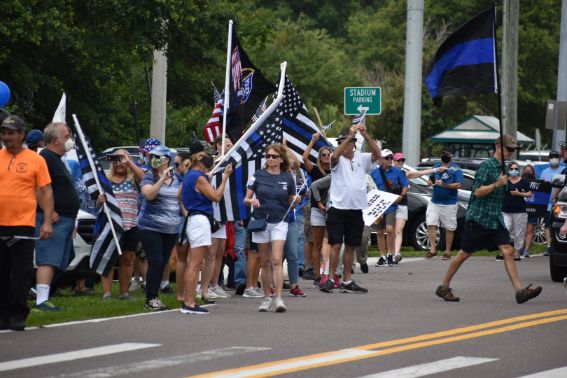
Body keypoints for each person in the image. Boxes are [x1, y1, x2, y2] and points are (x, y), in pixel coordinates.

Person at [435, 135, 542, 304]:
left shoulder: (503, 167)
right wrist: (496, 185)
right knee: (464, 254)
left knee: (508, 250)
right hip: (479, 218)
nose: (511, 152)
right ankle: (444, 286)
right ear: (498, 146)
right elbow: (477, 192)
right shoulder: (486, 166)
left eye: (513, 150)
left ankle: (519, 291)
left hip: (495, 218)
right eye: (509, 149)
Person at [0, 116, 53, 331]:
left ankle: (18, 314)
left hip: (23, 224)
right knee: (1, 272)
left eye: (11, 133)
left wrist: (47, 221)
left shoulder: (36, 160)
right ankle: (2, 315)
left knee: (21, 272)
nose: (6, 137)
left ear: (22, 135)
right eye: (4, 133)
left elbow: (45, 191)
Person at [320, 123, 380, 294]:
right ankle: (331, 278)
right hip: (338, 209)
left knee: (351, 246)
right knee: (336, 244)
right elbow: (334, 156)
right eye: (340, 142)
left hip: (355, 209)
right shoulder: (336, 158)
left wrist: (365, 135)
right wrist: (347, 138)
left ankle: (347, 280)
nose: (343, 145)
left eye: (346, 142)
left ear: (354, 144)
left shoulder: (361, 158)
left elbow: (377, 154)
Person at [244, 144, 297, 312]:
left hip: (280, 221)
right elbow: (246, 198)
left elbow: (291, 200)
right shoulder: (257, 176)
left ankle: (279, 298)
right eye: (268, 156)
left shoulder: (288, 177)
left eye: (274, 156)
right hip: (261, 221)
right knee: (264, 261)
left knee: (276, 259)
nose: (270, 159)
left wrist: (295, 201)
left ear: (281, 159)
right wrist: (252, 201)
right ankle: (267, 297)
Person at [34, 122, 81, 311]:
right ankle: (41, 300)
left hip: (66, 218)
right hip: (54, 218)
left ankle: (41, 292)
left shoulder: (57, 159)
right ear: (55, 140)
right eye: (67, 136)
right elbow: (38, 188)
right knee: (49, 257)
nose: (69, 139)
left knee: (65, 257)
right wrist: (49, 212)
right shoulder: (45, 157)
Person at [181, 151, 233, 314]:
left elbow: (179, 195)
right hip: (200, 219)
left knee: (194, 263)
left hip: (194, 218)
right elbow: (216, 197)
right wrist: (225, 178)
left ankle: (188, 301)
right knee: (195, 264)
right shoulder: (198, 177)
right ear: (200, 161)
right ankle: (189, 302)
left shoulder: (189, 175)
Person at [137, 145, 181, 311]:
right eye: (152, 156)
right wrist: (162, 179)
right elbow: (149, 194)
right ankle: (151, 298)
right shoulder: (149, 176)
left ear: (167, 159)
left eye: (158, 156)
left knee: (162, 262)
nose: (154, 159)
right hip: (150, 227)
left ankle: (155, 295)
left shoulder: (177, 178)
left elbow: (181, 198)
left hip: (170, 229)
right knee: (155, 261)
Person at [97, 150, 144, 299]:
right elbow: (96, 203)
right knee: (108, 259)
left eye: (121, 160)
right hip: (110, 225)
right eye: (115, 160)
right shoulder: (106, 181)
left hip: (130, 225)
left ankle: (124, 293)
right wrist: (99, 201)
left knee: (127, 259)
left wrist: (128, 161)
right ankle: (107, 293)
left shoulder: (133, 179)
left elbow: (144, 179)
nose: (118, 163)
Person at [370, 149, 409, 266]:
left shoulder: (397, 172)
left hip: (391, 205)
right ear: (381, 159)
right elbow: (371, 189)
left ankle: (391, 255)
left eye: (391, 158)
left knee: (390, 230)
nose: (390, 160)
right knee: (379, 232)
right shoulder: (374, 173)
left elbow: (405, 186)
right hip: (378, 205)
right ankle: (382, 256)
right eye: (387, 158)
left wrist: (401, 196)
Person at [302, 133, 332, 285]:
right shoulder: (315, 170)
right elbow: (304, 158)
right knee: (317, 242)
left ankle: (329, 272)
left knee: (331, 242)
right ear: (320, 157)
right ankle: (317, 275)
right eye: (324, 155)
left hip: (333, 210)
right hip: (316, 209)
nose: (326, 157)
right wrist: (313, 140)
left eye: (329, 154)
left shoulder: (337, 170)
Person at [425, 151, 463, 260]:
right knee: (430, 222)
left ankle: (447, 251)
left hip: (450, 203)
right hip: (435, 201)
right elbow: (431, 178)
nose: (444, 158)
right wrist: (430, 182)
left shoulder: (456, 168)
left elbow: (459, 184)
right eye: (443, 157)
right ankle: (433, 249)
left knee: (449, 227)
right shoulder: (436, 166)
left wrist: (445, 185)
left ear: (450, 158)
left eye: (447, 157)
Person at [499, 161, 532, 261]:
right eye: (512, 169)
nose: (514, 171)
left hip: (520, 211)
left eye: (516, 169)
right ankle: (503, 251)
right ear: (508, 170)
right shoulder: (505, 181)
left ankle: (517, 252)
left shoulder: (523, 181)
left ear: (519, 170)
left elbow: (530, 194)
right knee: (505, 229)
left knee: (519, 233)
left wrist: (519, 194)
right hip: (505, 210)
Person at [174, 151, 191, 302]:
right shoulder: (176, 178)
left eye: (177, 164)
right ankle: (180, 294)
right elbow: (178, 198)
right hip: (181, 219)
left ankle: (190, 292)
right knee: (182, 257)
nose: (175, 167)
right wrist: (186, 214)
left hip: (196, 218)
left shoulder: (193, 176)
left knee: (196, 258)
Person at [539, 150, 563, 256]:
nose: (554, 159)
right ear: (549, 159)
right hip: (548, 203)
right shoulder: (544, 172)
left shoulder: (563, 170)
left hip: (560, 202)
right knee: (548, 224)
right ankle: (549, 246)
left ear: (559, 158)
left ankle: (558, 243)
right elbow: (540, 188)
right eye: (552, 157)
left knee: (558, 223)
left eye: (556, 157)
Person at [521, 164, 537, 258]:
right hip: (521, 209)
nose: (528, 172)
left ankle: (526, 250)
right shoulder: (519, 181)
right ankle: (520, 248)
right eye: (526, 170)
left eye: (530, 171)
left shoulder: (537, 183)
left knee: (530, 230)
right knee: (521, 230)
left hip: (533, 210)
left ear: (533, 173)